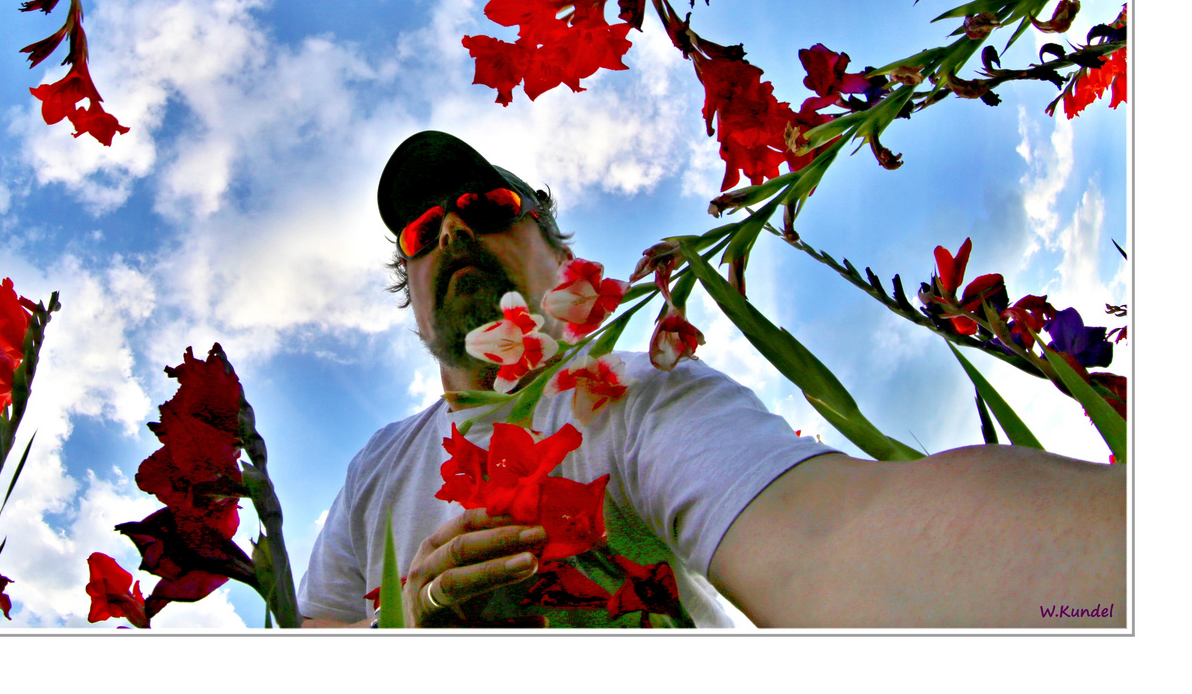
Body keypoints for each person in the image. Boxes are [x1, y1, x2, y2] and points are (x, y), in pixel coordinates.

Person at [296, 131, 1126, 628]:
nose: (449, 228)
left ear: (562, 255)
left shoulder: (639, 402)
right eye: (418, 230)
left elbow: (825, 540)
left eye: (484, 205)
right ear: (406, 292)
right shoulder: (378, 472)